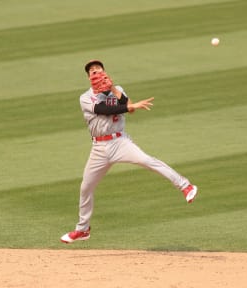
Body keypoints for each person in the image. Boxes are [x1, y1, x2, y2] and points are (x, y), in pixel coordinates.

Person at [61, 60, 198, 243]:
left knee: (147, 160)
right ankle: (83, 229)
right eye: (92, 71)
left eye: (99, 70)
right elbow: (103, 110)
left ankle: (185, 186)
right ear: (89, 78)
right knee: (86, 187)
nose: (96, 73)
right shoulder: (85, 97)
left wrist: (115, 90)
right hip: (99, 149)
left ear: (105, 73)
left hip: (120, 142)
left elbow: (129, 108)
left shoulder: (117, 89)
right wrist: (127, 105)